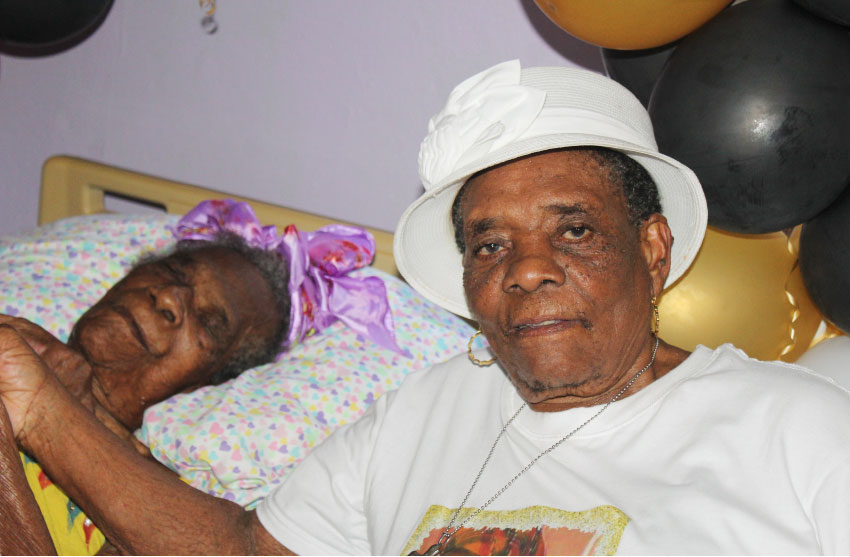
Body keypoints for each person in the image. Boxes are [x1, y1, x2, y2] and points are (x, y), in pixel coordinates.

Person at [1, 60, 849, 555]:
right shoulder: (424, 409)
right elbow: (242, 551)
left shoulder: (797, 429)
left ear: (654, 251)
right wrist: (38, 407)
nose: (527, 271)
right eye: (490, 244)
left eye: (575, 229)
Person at [0, 198, 399, 555]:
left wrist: (52, 410)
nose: (169, 299)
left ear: (205, 385)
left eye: (207, 324)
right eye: (172, 271)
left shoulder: (167, 512)